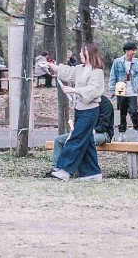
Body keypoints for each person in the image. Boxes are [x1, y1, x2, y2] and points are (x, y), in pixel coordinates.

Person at [43, 44, 108, 181]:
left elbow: (94, 90)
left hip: (90, 111)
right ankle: (92, 173)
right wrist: (53, 66)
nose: (79, 54)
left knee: (76, 138)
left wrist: (74, 90)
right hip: (80, 109)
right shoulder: (80, 68)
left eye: (82, 52)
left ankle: (64, 170)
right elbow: (68, 72)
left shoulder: (97, 72)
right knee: (87, 141)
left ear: (90, 54)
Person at [109, 42, 138, 134]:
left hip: (132, 90)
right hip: (121, 90)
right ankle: (121, 133)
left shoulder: (137, 62)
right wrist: (112, 89)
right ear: (126, 51)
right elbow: (113, 76)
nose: (134, 52)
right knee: (121, 113)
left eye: (135, 50)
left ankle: (137, 131)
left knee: (134, 112)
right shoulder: (117, 62)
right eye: (132, 50)